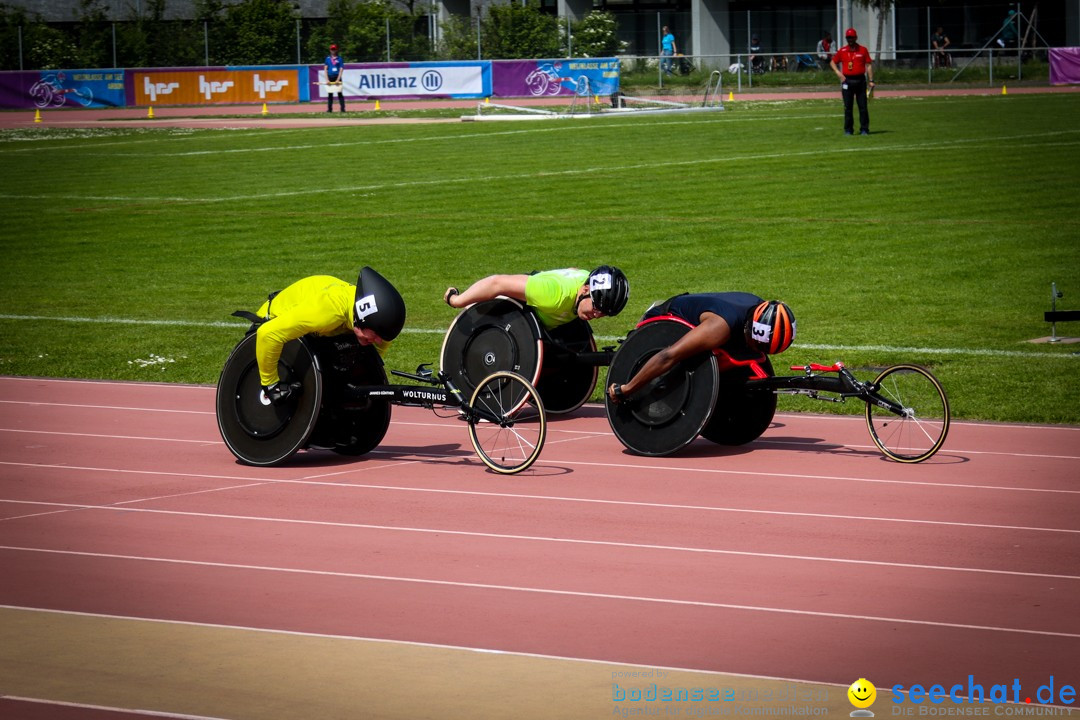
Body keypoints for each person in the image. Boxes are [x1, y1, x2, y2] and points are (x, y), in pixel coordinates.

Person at [607, 293, 795, 405]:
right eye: (756, 345)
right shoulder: (719, 328)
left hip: (705, 313)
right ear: (749, 329)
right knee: (678, 353)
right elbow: (667, 356)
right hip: (662, 320)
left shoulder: (759, 308)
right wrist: (625, 389)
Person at [252, 267, 405, 404]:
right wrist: (270, 384)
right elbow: (268, 334)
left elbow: (368, 363)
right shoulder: (328, 311)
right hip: (274, 322)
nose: (378, 341)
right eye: (376, 336)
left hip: (319, 331)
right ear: (361, 320)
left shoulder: (380, 329)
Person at [444, 266, 630, 330]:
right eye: (597, 307)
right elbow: (496, 283)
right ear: (585, 290)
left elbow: (574, 270)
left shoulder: (586, 283)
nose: (597, 315)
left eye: (604, 314)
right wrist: (456, 301)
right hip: (517, 318)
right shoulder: (553, 294)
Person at [830, 27, 875, 136]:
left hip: (860, 81)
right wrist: (838, 73)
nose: (850, 39)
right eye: (848, 37)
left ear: (856, 38)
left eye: (851, 37)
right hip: (847, 81)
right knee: (848, 108)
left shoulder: (863, 50)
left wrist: (871, 80)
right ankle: (848, 130)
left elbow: (868, 65)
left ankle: (864, 129)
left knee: (863, 107)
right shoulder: (842, 51)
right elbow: (832, 62)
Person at [324, 44, 346, 113]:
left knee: (340, 93)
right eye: (332, 49)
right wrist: (327, 79)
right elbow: (325, 69)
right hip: (330, 77)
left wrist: (338, 79)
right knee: (330, 94)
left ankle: (342, 109)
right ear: (330, 50)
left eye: (334, 49)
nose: (333, 51)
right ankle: (329, 109)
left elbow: (341, 69)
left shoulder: (339, 59)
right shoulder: (327, 59)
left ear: (336, 50)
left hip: (337, 77)